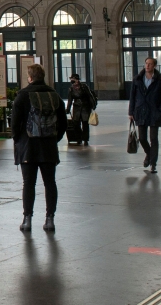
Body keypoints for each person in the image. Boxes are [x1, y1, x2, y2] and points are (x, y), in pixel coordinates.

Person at [11, 63, 67, 233]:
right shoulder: (54, 95)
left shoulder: (22, 96)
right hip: (48, 146)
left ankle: (27, 219)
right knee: (50, 182)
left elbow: (14, 124)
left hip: (28, 147)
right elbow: (63, 123)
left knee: (29, 183)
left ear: (30, 77)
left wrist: (18, 140)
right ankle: (50, 219)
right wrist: (53, 139)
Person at [129, 57, 161, 174]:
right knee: (142, 138)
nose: (147, 66)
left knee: (154, 138)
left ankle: (153, 163)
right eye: (146, 63)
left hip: (154, 112)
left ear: (154, 66)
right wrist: (131, 112)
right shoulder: (137, 79)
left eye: (150, 64)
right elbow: (132, 96)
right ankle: (149, 154)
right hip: (140, 111)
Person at [65, 73, 96, 147]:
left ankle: (85, 139)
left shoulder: (84, 86)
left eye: (72, 79)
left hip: (85, 107)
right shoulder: (71, 89)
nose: (71, 80)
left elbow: (90, 96)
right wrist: (68, 109)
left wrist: (93, 105)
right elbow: (70, 100)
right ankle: (78, 138)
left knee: (85, 124)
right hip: (76, 108)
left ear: (76, 79)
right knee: (76, 124)